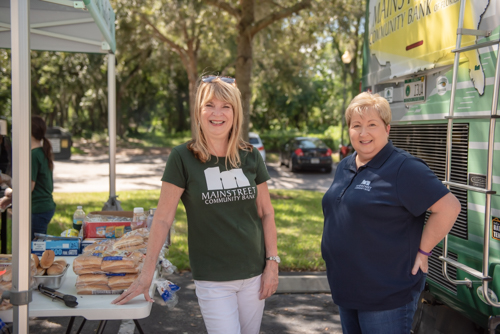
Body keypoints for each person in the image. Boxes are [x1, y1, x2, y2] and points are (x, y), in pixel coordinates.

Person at [113, 75, 279, 334]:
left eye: (226, 106)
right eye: (209, 105)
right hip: (213, 279)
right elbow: (163, 218)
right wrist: (146, 274)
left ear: (236, 113)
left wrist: (272, 263)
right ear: (198, 111)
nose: (217, 113)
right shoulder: (182, 157)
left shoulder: (250, 155)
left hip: (254, 275)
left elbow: (266, 212)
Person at [321, 92, 461, 334]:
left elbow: (449, 207)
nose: (363, 133)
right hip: (347, 289)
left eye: (372, 125)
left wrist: (424, 251)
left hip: (386, 295)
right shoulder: (345, 165)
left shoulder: (403, 168)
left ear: (387, 129)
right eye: (356, 126)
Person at [0, 116, 56, 240]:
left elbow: (28, 189)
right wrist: (10, 198)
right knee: (39, 247)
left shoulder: (33, 155)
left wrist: (9, 191)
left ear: (28, 132)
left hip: (38, 210)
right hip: (44, 207)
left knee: (34, 249)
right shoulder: (41, 152)